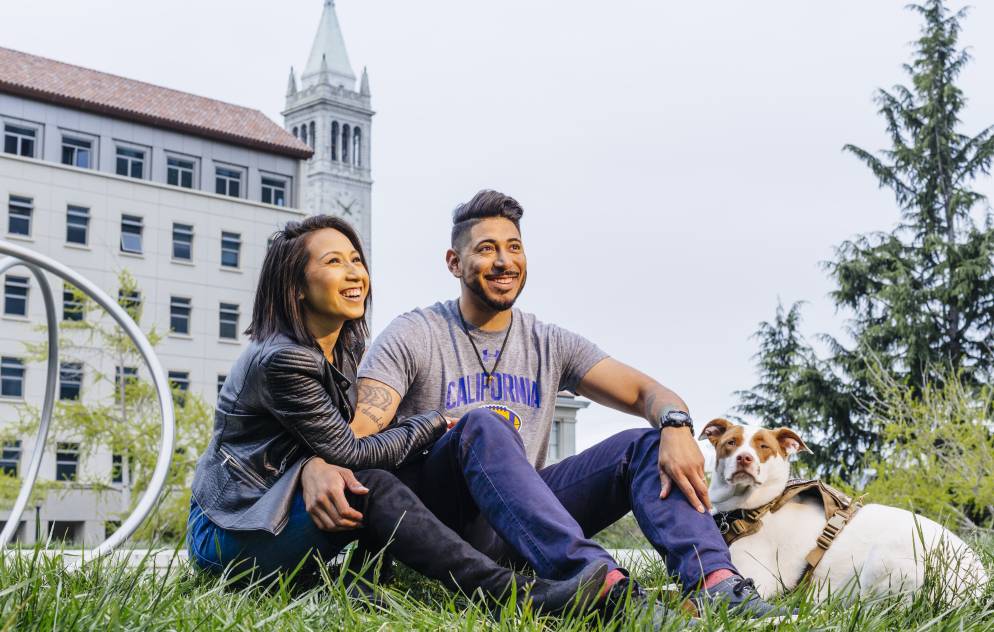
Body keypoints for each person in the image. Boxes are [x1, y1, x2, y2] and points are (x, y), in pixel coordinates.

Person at [300, 191, 792, 624]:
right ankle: (598, 583)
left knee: (643, 446)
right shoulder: (415, 334)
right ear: (454, 262)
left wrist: (677, 423)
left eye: (514, 247)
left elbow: (647, 392)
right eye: (486, 249)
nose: (503, 261)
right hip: (447, 519)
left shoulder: (548, 341)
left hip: (525, 524)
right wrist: (316, 463)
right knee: (482, 426)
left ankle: (718, 585)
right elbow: (360, 428)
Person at [186, 214, 607, 613]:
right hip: (229, 528)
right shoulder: (283, 360)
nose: (355, 273)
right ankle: (507, 592)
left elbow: (342, 446)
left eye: (356, 259)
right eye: (334, 262)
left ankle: (365, 579)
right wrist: (435, 422)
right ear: (296, 286)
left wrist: (317, 464)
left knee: (385, 473)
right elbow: (350, 450)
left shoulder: (344, 347)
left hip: (276, 507)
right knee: (368, 484)